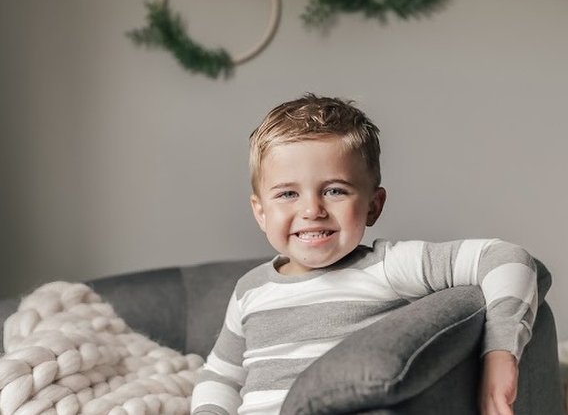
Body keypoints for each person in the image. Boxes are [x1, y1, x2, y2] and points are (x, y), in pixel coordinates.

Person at [191, 94, 538, 415]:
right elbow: (220, 376)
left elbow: (507, 257)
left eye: (334, 190)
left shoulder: (386, 267)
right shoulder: (249, 290)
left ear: (373, 205)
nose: (312, 210)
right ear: (260, 211)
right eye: (287, 194)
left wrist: (500, 353)